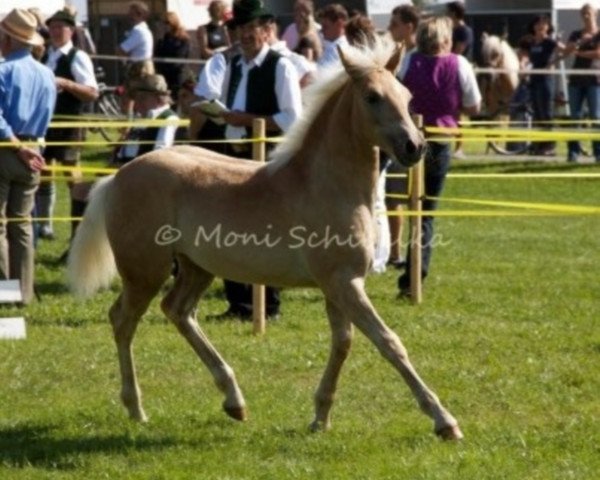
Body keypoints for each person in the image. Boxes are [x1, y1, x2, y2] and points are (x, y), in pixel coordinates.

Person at [194, 0, 303, 320]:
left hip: (264, 158)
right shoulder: (232, 66)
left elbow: (292, 118)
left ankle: (267, 304)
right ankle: (237, 302)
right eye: (239, 29)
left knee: (265, 233)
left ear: (267, 30)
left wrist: (249, 120)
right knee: (230, 228)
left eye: (250, 28)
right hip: (231, 154)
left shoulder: (280, 66)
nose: (243, 35)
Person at [396, 16, 481, 297]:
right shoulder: (460, 64)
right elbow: (474, 105)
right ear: (445, 37)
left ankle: (404, 268)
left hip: (407, 141)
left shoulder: (409, 61)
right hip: (441, 141)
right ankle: (414, 275)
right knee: (426, 212)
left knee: (400, 204)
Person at [0, 9, 56, 304]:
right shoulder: (47, 74)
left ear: (8, 37)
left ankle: (4, 293)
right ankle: (22, 293)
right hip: (34, 150)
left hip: (6, 149)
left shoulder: (3, 70)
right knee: (21, 223)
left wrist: (13, 143)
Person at [36, 8, 98, 243]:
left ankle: (80, 229)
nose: (55, 31)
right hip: (44, 122)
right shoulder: (43, 54)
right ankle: (45, 226)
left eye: (60, 27)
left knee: (72, 173)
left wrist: (67, 83)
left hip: (70, 121)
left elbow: (92, 93)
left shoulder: (78, 57)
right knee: (43, 170)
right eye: (52, 27)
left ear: (71, 31)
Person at [387, 4, 420, 269]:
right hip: (397, 132)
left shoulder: (416, 58)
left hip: (411, 132)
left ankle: (403, 253)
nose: (390, 28)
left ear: (409, 27)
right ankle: (395, 252)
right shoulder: (395, 54)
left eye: (395, 23)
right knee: (393, 196)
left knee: (405, 196)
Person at [563, 3, 600, 163]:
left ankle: (598, 153)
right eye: (583, 13)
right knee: (574, 117)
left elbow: (598, 54)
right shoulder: (576, 34)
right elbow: (566, 51)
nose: (586, 16)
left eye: (589, 13)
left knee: (596, 117)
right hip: (576, 81)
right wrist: (577, 44)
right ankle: (573, 152)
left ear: (595, 14)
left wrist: (579, 52)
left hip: (595, 81)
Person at [527, 15, 559, 156]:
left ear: (547, 27)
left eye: (544, 24)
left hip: (545, 80)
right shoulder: (533, 43)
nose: (540, 26)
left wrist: (552, 64)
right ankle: (540, 144)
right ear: (534, 27)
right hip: (534, 80)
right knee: (538, 113)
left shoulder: (549, 42)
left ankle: (550, 145)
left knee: (546, 113)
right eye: (538, 23)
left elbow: (565, 51)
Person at [117, 1, 154, 116]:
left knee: (128, 100)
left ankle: (126, 130)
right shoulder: (145, 30)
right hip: (145, 66)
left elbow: (121, 49)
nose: (128, 15)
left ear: (139, 14)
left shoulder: (139, 31)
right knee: (141, 100)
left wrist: (125, 58)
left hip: (139, 68)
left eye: (131, 13)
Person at [154, 11, 191, 101]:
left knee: (176, 100)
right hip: (163, 75)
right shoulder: (163, 39)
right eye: (163, 23)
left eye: (167, 23)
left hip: (177, 75)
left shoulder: (183, 39)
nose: (165, 26)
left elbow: (180, 57)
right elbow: (157, 55)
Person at [316, 3, 349, 69]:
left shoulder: (344, 50)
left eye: (325, 27)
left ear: (339, 24)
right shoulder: (328, 47)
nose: (322, 31)